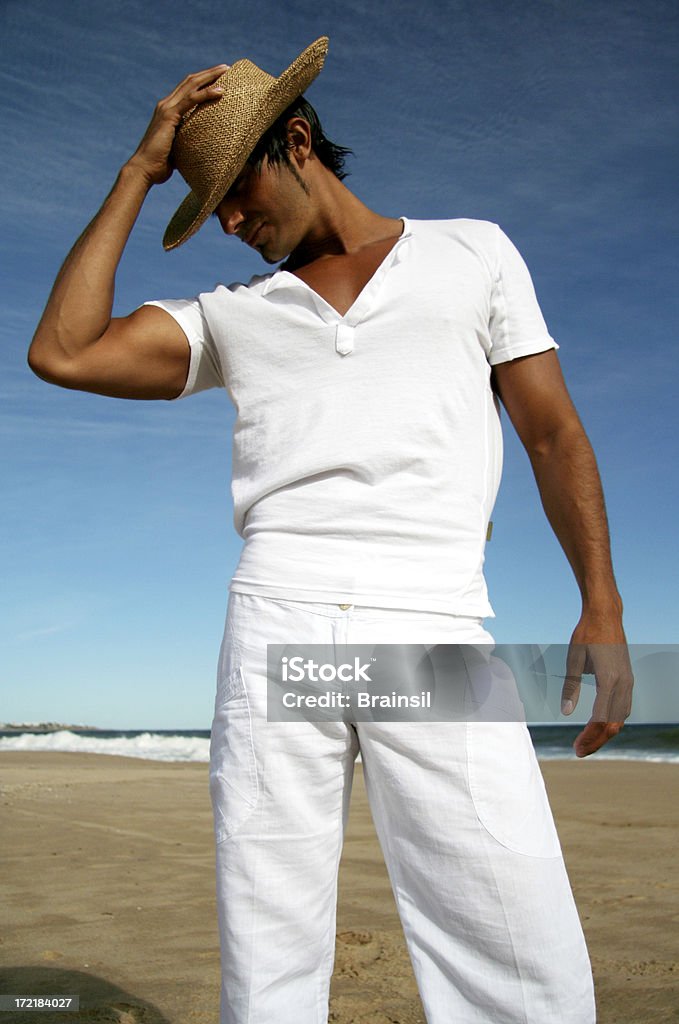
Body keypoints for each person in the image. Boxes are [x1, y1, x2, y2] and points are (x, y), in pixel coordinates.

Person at [28, 35, 634, 1024]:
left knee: (513, 935)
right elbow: (61, 350)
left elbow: (552, 431)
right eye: (208, 203)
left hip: (428, 624)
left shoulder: (472, 253)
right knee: (270, 953)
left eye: (231, 189)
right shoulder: (232, 314)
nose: (227, 221)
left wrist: (599, 601)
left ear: (296, 140)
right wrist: (141, 170)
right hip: (278, 624)